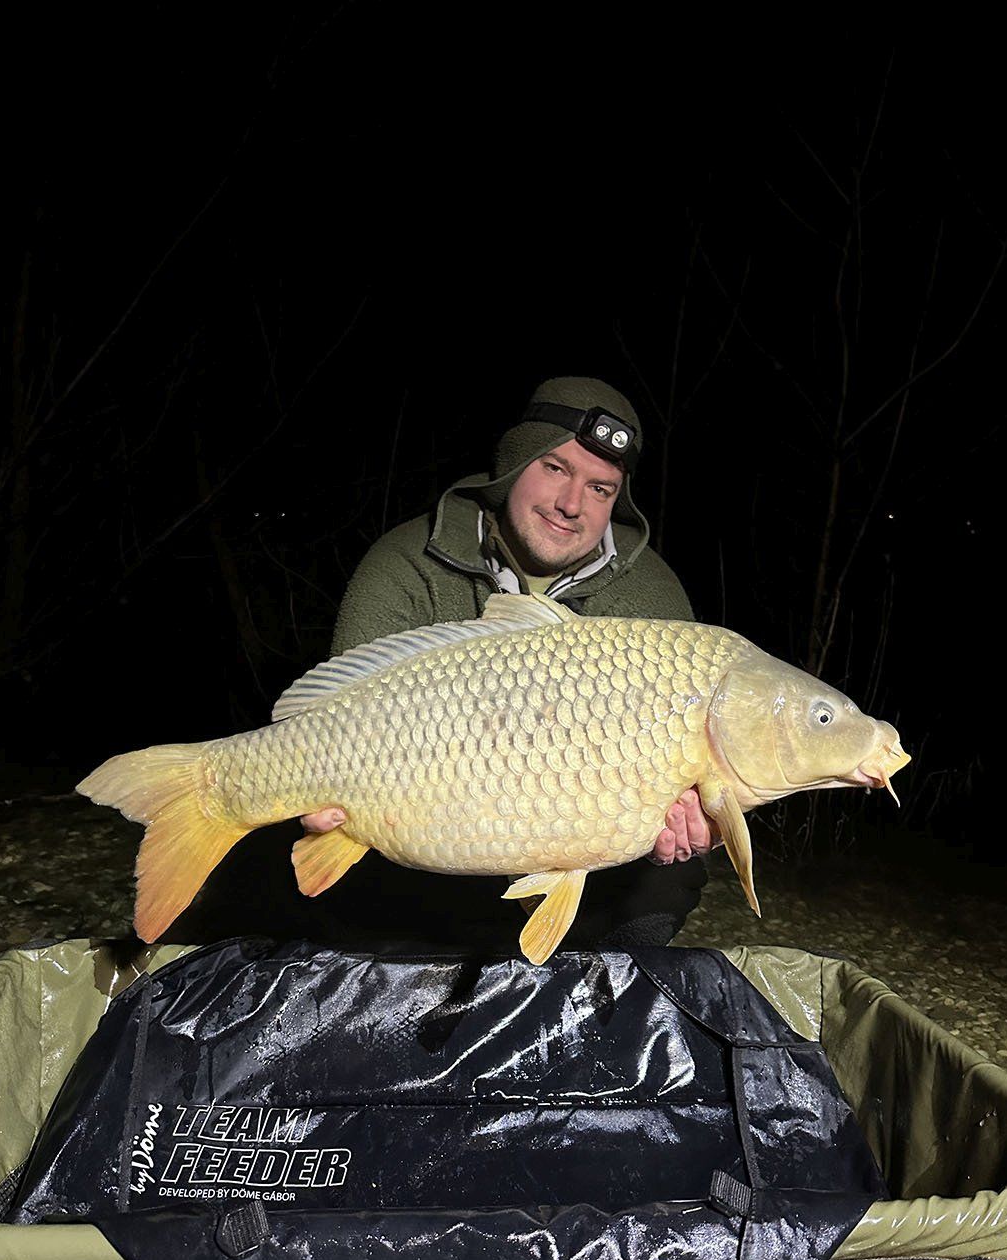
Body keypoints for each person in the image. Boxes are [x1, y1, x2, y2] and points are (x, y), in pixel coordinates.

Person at [296, 375, 715, 952]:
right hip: (421, 839)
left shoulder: (652, 597)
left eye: (601, 488)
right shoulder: (407, 563)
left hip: (585, 855)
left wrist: (703, 815)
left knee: (671, 872)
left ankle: (588, 1000)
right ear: (511, 466)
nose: (572, 505)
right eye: (555, 469)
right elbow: (333, 716)